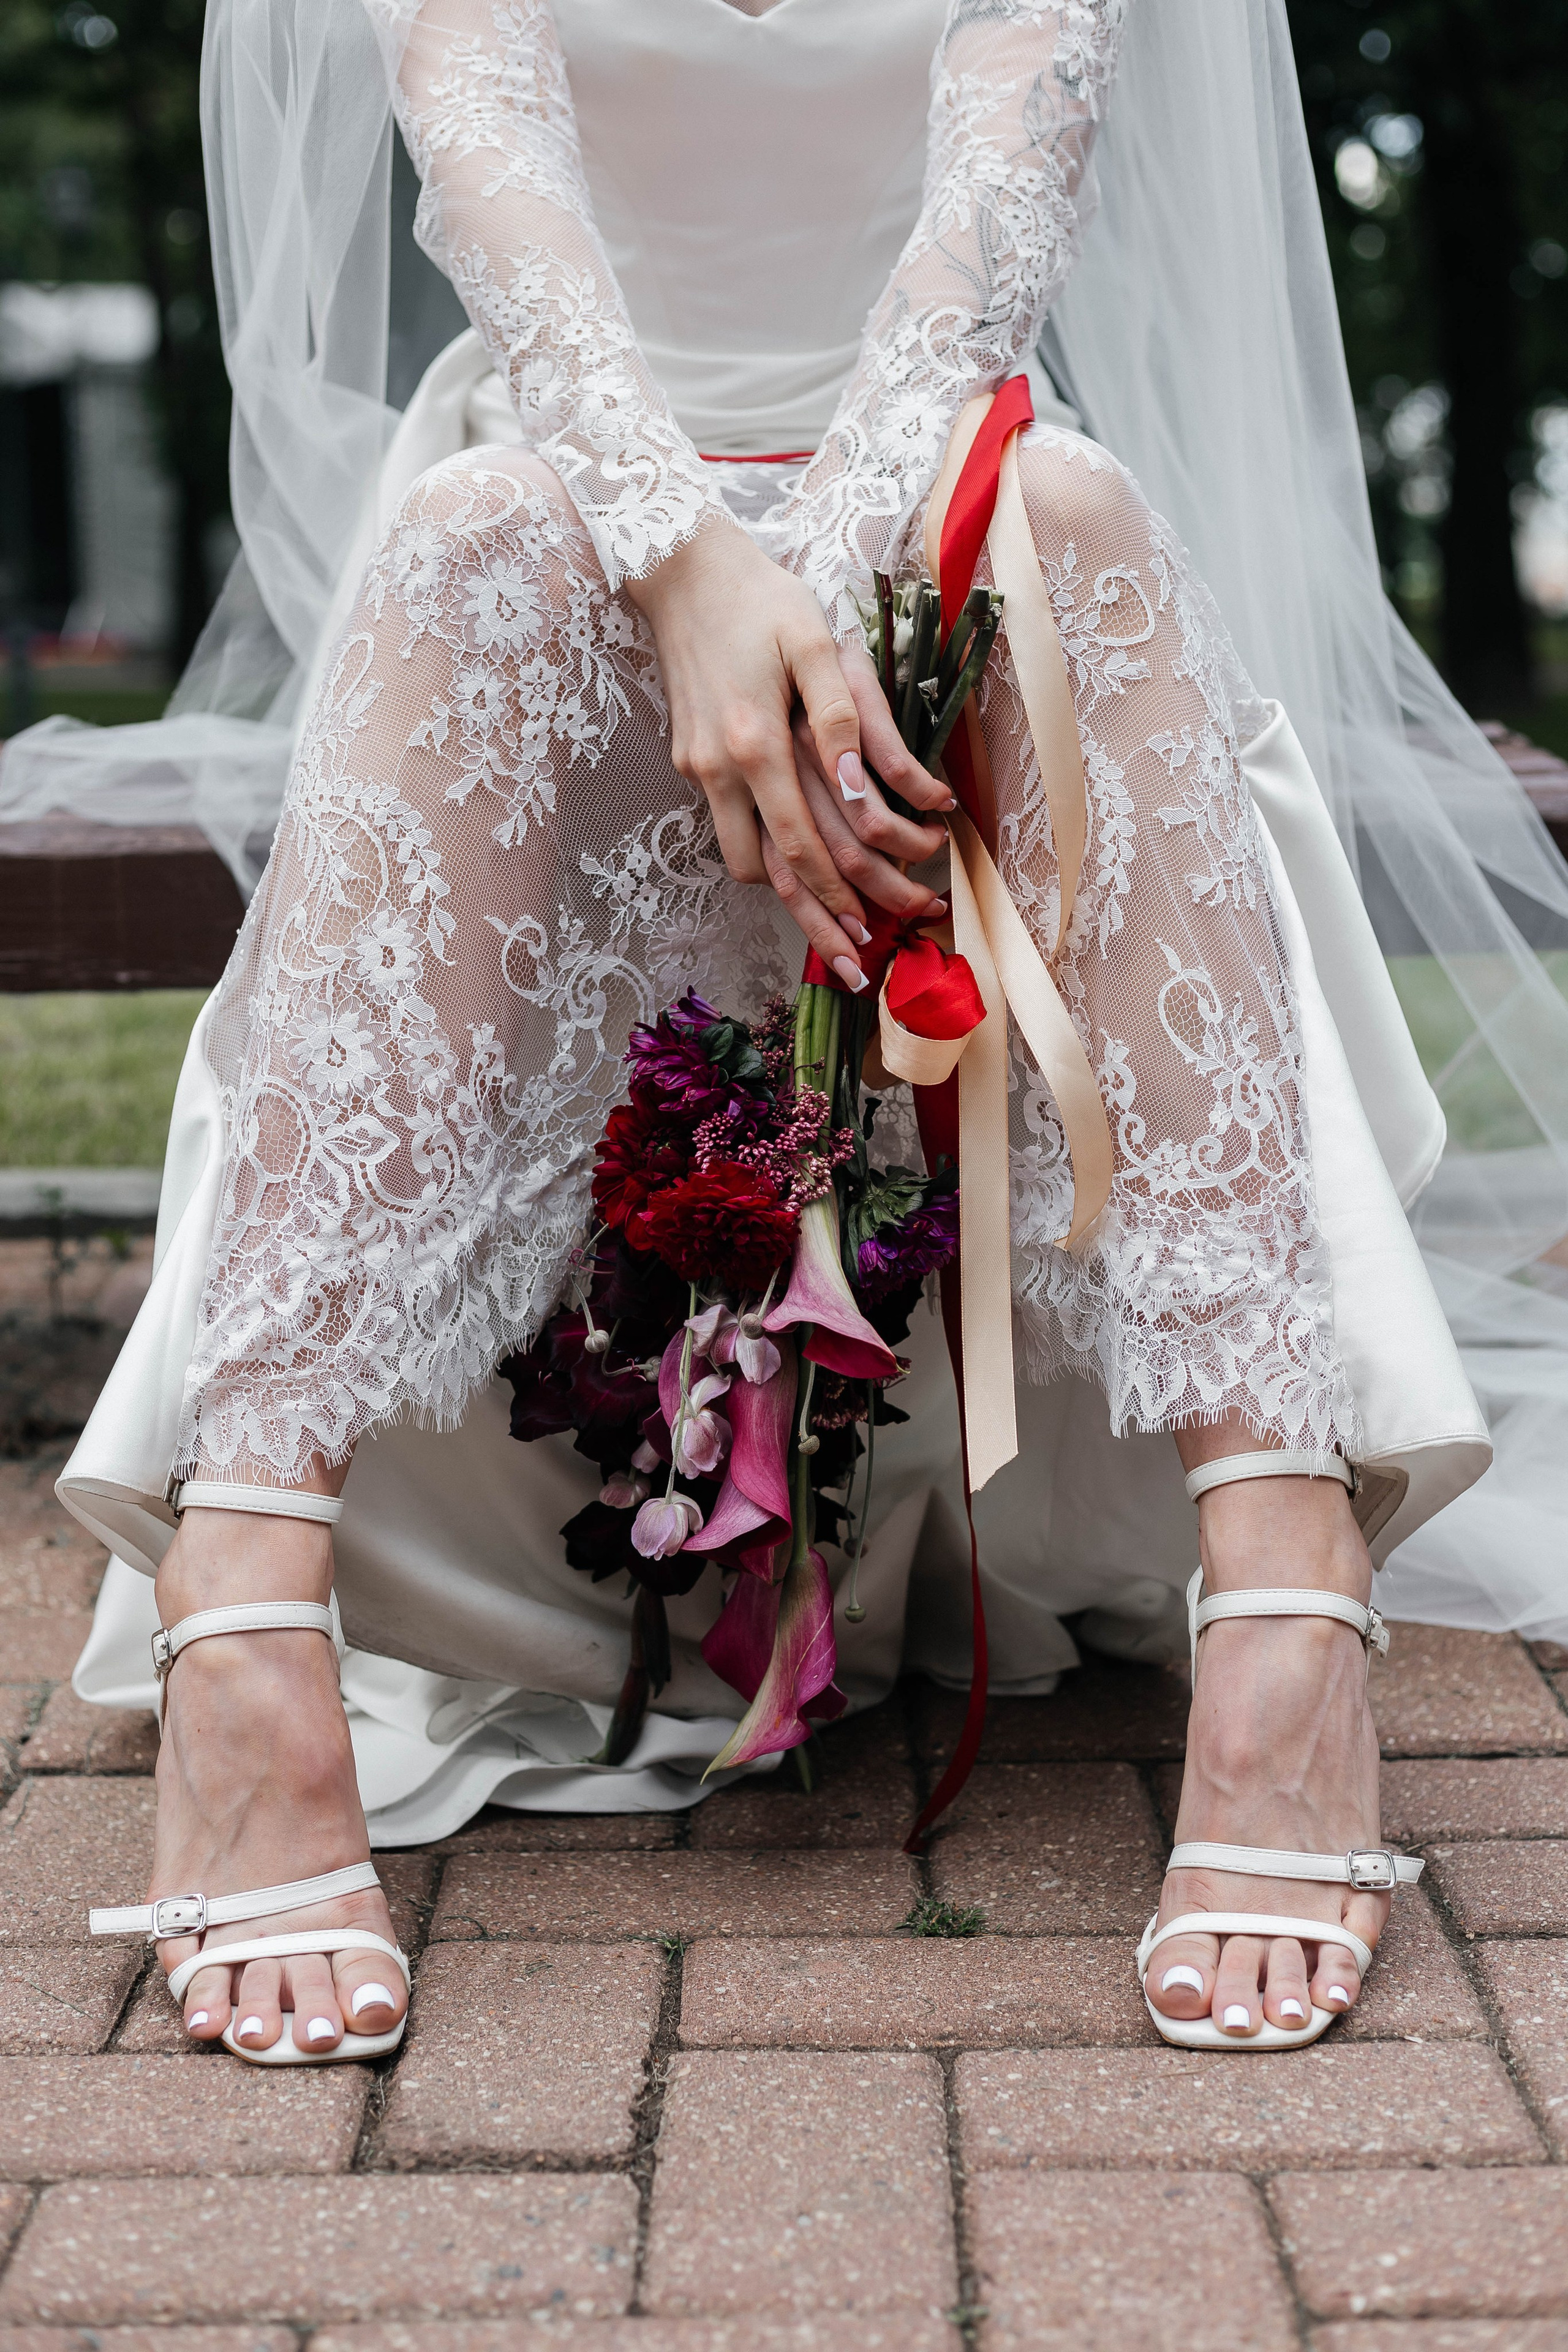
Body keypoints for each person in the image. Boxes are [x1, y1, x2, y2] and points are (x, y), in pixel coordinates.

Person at [27, 0, 1568, 2062]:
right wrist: (693, 577)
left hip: (933, 481)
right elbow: (502, 195)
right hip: (581, 502)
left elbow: (985, 241)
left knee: (1078, 523)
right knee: (470, 544)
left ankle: (1286, 1581)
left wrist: (821, 621)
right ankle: (248, 1603)